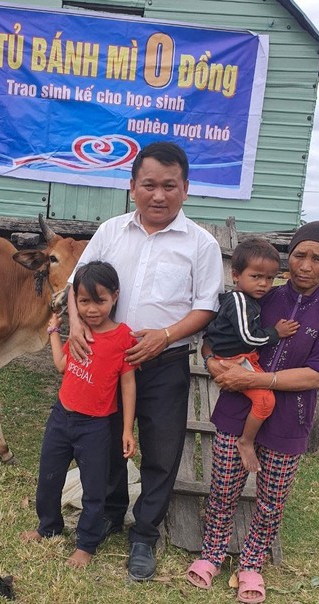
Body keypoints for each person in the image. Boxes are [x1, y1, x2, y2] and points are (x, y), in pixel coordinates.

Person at [67, 141, 224, 580]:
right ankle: (111, 514)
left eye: (169, 186)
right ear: (132, 185)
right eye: (149, 184)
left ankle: (145, 534)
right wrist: (76, 323)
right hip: (106, 363)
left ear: (186, 188)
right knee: (106, 442)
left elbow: (206, 306)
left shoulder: (201, 244)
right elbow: (78, 282)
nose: (159, 195)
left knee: (161, 449)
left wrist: (166, 335)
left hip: (164, 362)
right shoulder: (111, 231)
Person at [186, 221, 319, 604]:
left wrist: (258, 382)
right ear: (289, 257)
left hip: (290, 420)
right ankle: (212, 554)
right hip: (236, 412)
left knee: (272, 499)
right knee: (223, 488)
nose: (305, 266)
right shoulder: (260, 296)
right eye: (300, 255)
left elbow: (316, 373)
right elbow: (214, 339)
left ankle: (252, 563)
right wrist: (213, 365)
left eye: (318, 259)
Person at [21, 261, 138, 568]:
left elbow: (128, 384)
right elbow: (61, 366)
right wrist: (54, 333)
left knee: (95, 488)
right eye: (84, 302)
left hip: (96, 426)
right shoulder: (79, 333)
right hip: (61, 418)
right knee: (49, 479)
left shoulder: (123, 337)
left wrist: (127, 429)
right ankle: (48, 526)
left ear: (115, 296)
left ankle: (86, 544)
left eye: (99, 301)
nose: (91, 309)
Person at [203, 238, 300, 473]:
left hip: (242, 358)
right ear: (236, 275)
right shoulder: (238, 300)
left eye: (269, 278)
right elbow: (248, 337)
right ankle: (246, 441)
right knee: (266, 400)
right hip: (234, 361)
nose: (263, 284)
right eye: (256, 276)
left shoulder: (247, 300)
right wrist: (275, 333)